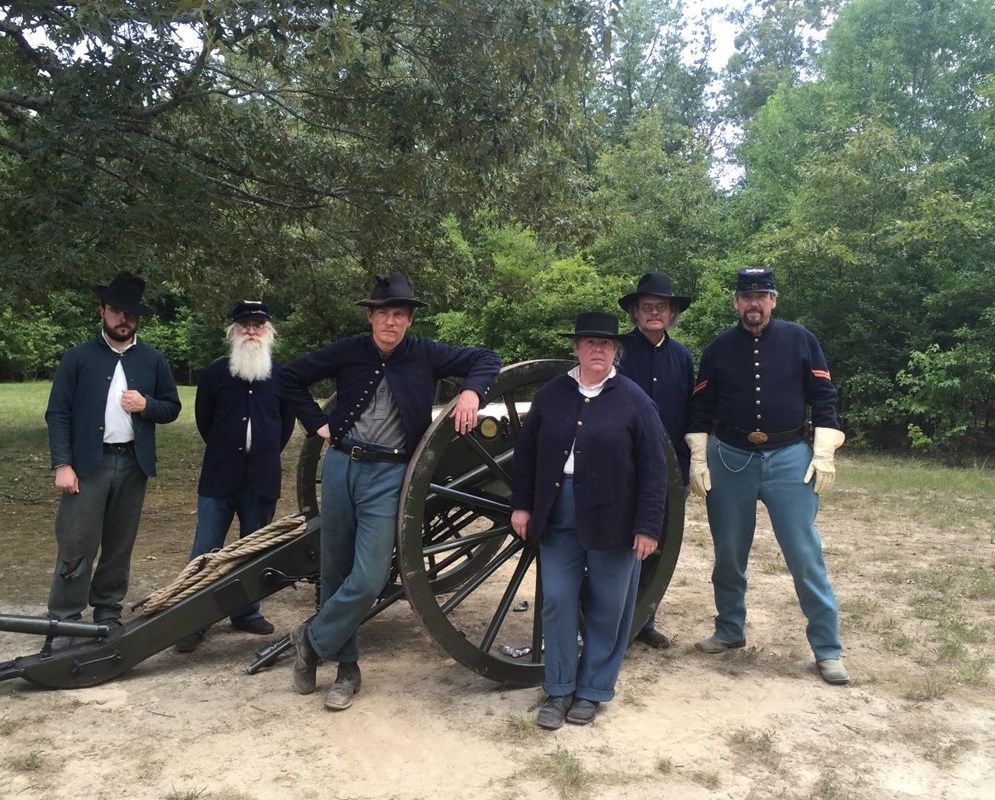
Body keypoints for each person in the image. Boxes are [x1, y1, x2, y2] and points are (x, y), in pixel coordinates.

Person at [281, 272, 502, 711]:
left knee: (369, 578)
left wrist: (471, 393)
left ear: (408, 319)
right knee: (335, 571)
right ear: (370, 316)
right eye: (383, 313)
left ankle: (309, 638)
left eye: (399, 314)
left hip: (390, 474)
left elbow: (487, 358)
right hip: (342, 465)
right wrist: (317, 424)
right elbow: (288, 378)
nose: (390, 322)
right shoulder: (349, 351)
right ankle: (347, 670)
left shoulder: (425, 354)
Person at [686, 267, 848, 685]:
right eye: (746, 296)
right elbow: (701, 408)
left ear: (773, 300)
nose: (753, 303)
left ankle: (827, 649)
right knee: (728, 553)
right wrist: (699, 458)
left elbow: (823, 396)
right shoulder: (719, 348)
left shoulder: (800, 339)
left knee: (804, 554)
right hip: (731, 457)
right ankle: (729, 630)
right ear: (736, 302)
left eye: (761, 295)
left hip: (790, 456)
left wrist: (824, 451)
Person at [511, 312, 667, 730]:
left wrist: (648, 526)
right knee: (558, 600)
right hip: (557, 514)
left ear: (616, 350)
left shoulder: (635, 400)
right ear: (576, 347)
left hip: (615, 517)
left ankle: (593, 690)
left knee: (608, 607)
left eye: (605, 343)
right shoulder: (551, 395)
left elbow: (655, 468)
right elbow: (526, 456)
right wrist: (522, 505)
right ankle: (559, 689)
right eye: (589, 342)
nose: (597, 349)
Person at [45, 271, 181, 646]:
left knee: (120, 545)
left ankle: (107, 613)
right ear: (103, 310)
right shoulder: (78, 358)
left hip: (133, 464)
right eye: (117, 311)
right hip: (88, 465)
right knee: (76, 544)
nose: (124, 319)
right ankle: (64, 621)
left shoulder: (153, 360)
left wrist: (146, 405)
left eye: (131, 314)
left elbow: (172, 407)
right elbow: (57, 412)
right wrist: (62, 463)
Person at [174, 301, 296, 653]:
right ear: (233, 331)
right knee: (205, 550)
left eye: (258, 325)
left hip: (262, 477)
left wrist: (262, 452)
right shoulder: (213, 375)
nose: (252, 331)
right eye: (245, 325)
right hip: (219, 476)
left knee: (252, 550)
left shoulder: (282, 376)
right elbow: (205, 422)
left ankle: (246, 612)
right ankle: (191, 618)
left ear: (269, 331)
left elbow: (284, 427)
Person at [618, 271, 694, 649]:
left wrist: (694, 463)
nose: (653, 313)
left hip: (669, 468)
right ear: (635, 312)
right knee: (619, 542)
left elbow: (691, 414)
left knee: (658, 544)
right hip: (622, 464)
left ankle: (645, 620)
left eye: (660, 307)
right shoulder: (618, 351)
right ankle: (612, 618)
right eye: (646, 307)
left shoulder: (682, 357)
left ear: (671, 313)